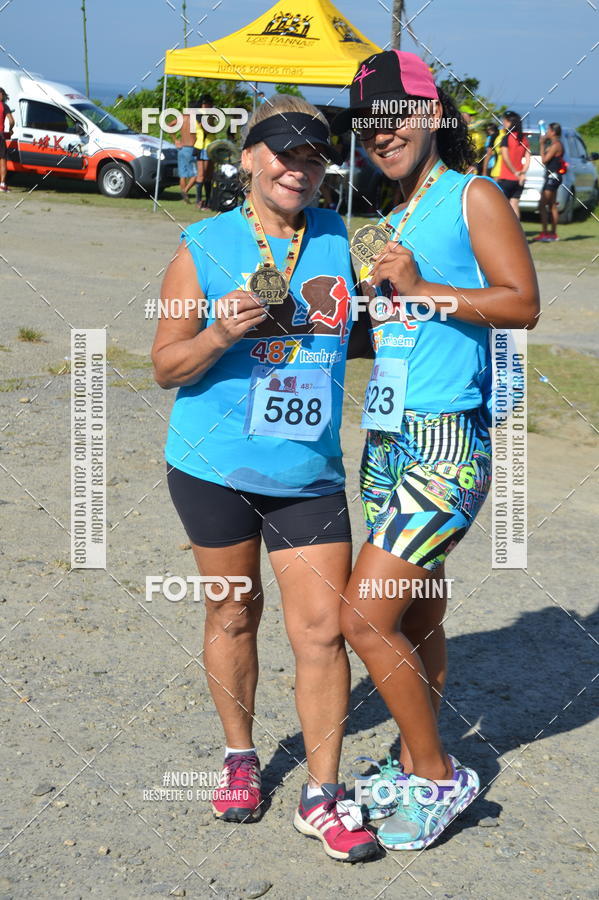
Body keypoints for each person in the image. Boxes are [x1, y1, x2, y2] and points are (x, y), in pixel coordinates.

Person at [151, 94, 378, 862]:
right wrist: (221, 331)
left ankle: (323, 795)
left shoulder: (344, 237)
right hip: (214, 465)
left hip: (309, 471)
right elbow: (163, 365)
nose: (299, 167)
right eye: (282, 152)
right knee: (233, 614)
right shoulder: (202, 246)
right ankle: (240, 758)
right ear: (248, 157)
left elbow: (389, 316)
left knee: (321, 631)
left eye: (314, 155)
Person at [331, 50, 539, 850]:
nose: (380, 136)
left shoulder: (472, 195)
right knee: (415, 613)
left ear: (429, 116)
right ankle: (409, 754)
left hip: (447, 442)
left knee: (361, 616)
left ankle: (436, 775)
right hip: (386, 436)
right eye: (367, 125)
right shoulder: (388, 218)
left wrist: (421, 290)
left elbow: (522, 303)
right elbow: (391, 329)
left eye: (394, 118)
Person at [534, 122, 565, 242]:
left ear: (553, 132)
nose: (546, 132)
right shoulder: (556, 144)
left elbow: (544, 160)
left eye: (548, 130)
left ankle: (545, 233)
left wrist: (541, 145)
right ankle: (553, 233)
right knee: (552, 206)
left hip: (552, 177)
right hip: (555, 176)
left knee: (542, 205)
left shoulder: (556, 145)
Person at [497, 110, 530, 219]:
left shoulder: (506, 138)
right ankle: (517, 233)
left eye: (505, 122)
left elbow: (506, 158)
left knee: (502, 207)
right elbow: (528, 159)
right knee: (514, 204)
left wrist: (514, 171)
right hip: (519, 179)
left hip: (506, 178)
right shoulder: (523, 139)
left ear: (510, 123)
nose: (503, 124)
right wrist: (522, 173)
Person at [193, 94, 214, 209]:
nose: (209, 106)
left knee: (209, 176)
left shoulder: (211, 114)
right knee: (202, 175)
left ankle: (208, 200)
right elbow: (205, 127)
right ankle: (199, 201)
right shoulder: (200, 113)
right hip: (202, 147)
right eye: (207, 104)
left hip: (210, 146)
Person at [175, 105, 197, 203]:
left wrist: (175, 139)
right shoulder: (195, 119)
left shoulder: (181, 118)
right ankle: (185, 191)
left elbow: (169, 125)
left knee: (183, 175)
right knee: (197, 174)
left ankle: (184, 196)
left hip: (181, 148)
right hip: (190, 148)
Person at [0, 87, 15, 193]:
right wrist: (10, 130)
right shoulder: (4, 106)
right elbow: (11, 120)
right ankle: (2, 185)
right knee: (2, 160)